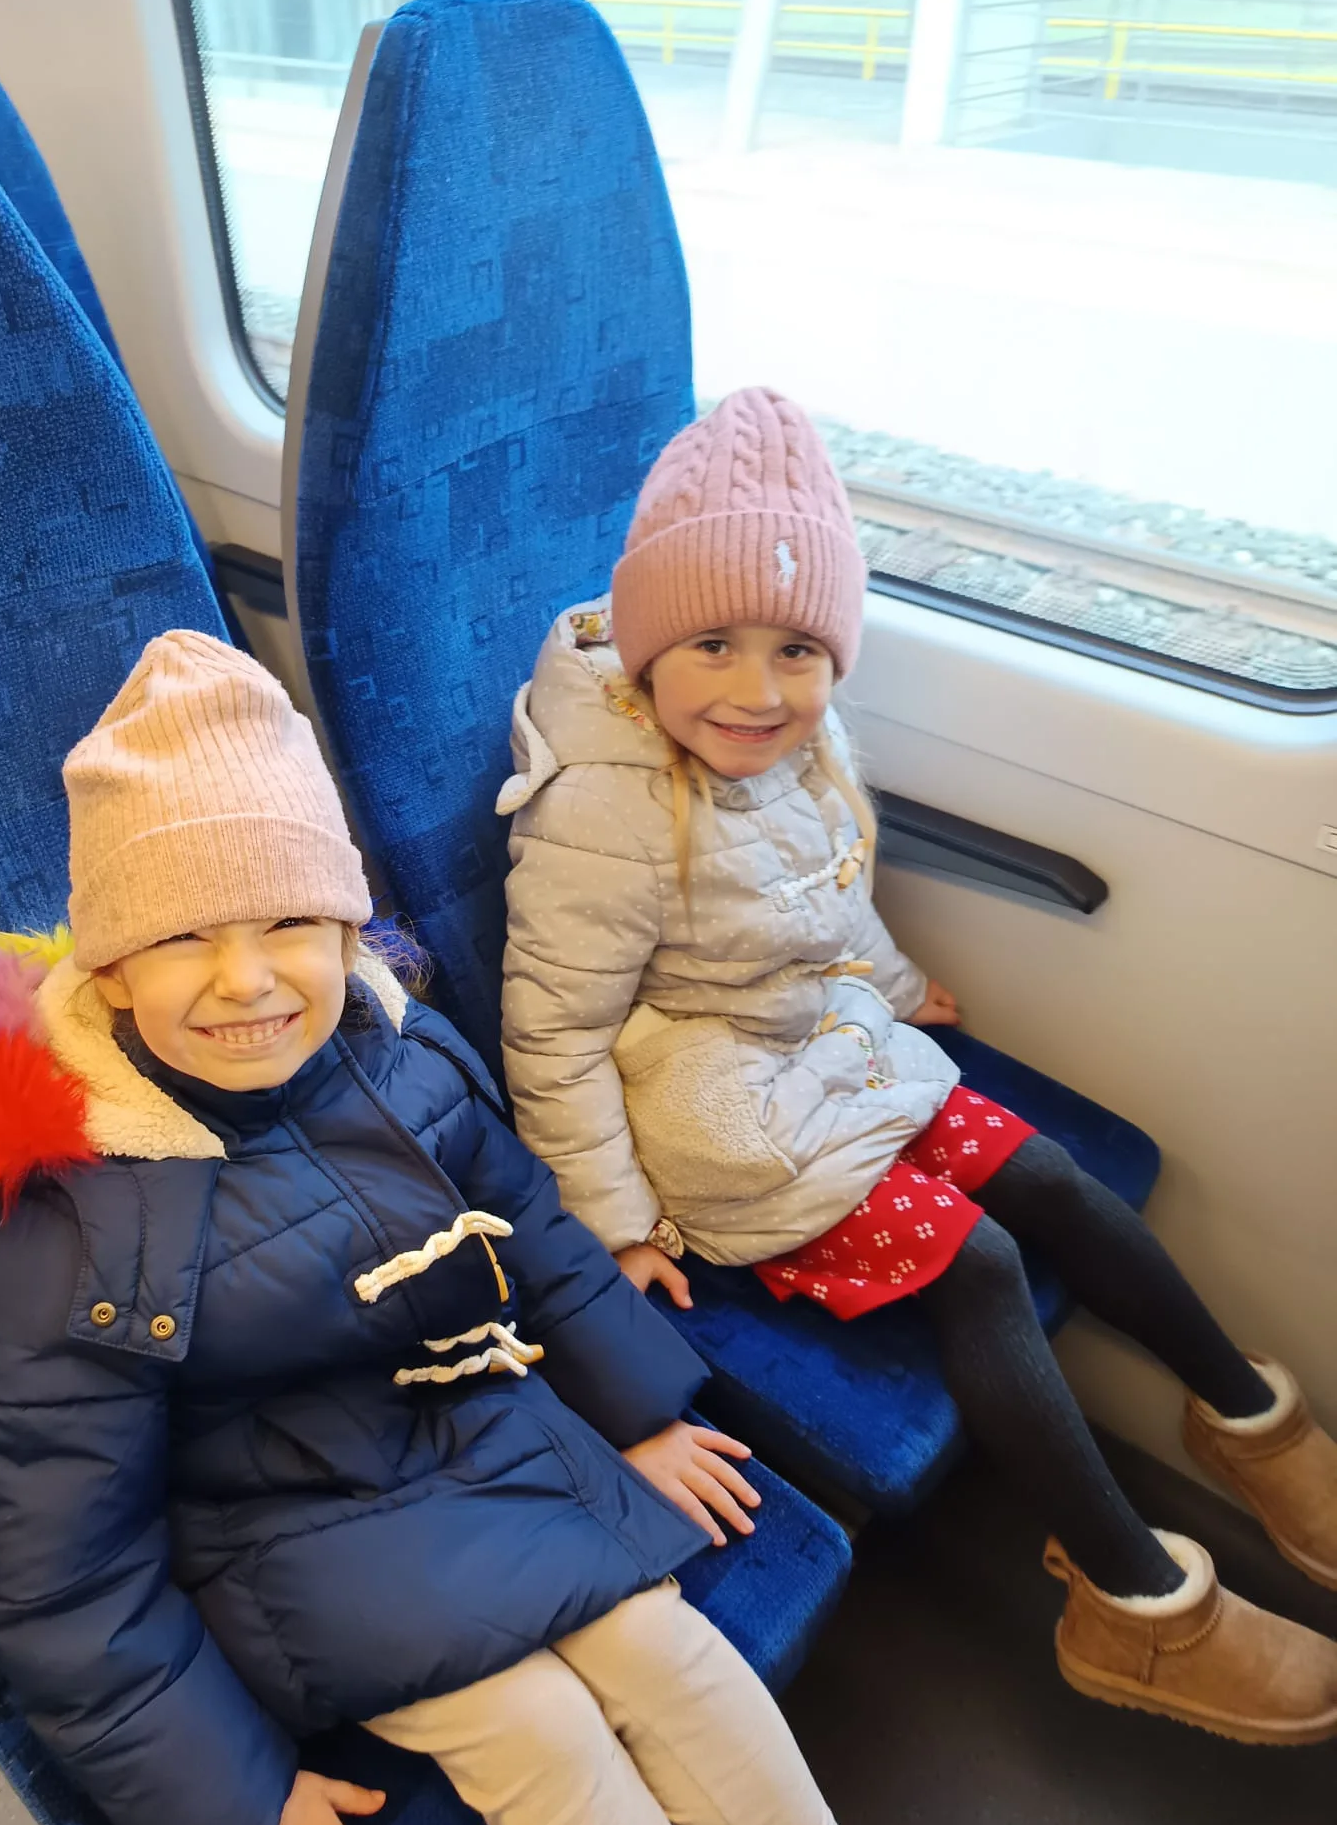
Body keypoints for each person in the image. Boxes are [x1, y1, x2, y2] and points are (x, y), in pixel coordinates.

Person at [0, 630, 950, 1825]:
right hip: (285, 1532)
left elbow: (534, 1232)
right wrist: (239, 1810)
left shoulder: (397, 1053)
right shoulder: (68, 1213)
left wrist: (635, 1411)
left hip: (480, 1429)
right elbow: (62, 1575)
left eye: (288, 922)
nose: (248, 979)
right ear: (108, 971)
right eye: (183, 936)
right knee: (541, 1735)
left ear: (347, 929)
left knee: (664, 1646)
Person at [499, 387, 1337, 1748]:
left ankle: (1252, 1424)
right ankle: (1134, 1607)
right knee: (980, 1261)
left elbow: (827, 890)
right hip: (713, 1107)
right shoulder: (603, 809)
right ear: (649, 649)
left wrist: (893, 986)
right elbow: (555, 1032)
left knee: (1047, 1180)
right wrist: (616, 1221)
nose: (759, 689)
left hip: (825, 1033)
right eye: (711, 644)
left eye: (797, 650)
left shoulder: (802, 740)